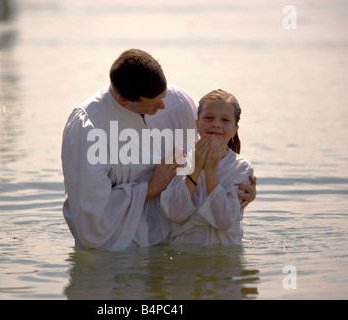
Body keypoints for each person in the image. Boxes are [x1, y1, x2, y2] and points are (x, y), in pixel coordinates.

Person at [61, 49, 256, 250]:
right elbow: (91, 218)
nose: (163, 106)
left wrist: (240, 192)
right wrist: (152, 186)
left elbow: (214, 153)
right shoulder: (88, 127)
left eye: (164, 96)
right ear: (123, 101)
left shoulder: (178, 102)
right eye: (154, 104)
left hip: (175, 245)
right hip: (123, 250)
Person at [161, 89, 253, 246]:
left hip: (225, 257)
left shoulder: (241, 167)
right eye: (209, 118)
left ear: (235, 130)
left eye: (225, 120)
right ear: (197, 124)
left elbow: (223, 221)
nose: (216, 124)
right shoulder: (179, 160)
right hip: (184, 253)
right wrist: (195, 169)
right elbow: (174, 212)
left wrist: (210, 171)